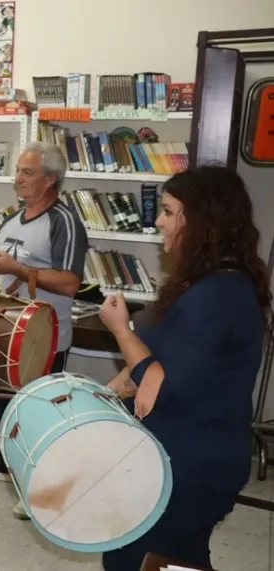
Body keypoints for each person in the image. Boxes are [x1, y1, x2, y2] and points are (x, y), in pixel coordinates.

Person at [97, 165, 269, 571]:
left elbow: (166, 388)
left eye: (169, 211)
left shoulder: (216, 295)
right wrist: (105, 395)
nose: (158, 220)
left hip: (191, 464)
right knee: (179, 558)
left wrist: (120, 332)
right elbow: (156, 356)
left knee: (129, 560)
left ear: (203, 222)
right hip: (192, 452)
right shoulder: (207, 282)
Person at [0, 142, 87, 518]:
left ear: (50, 179)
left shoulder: (64, 221)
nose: (18, 179)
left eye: (27, 173)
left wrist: (20, 270)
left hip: (44, 335)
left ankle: (40, 488)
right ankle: (1, 464)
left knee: (36, 413)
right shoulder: (13, 218)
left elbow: (71, 282)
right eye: (18, 171)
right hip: (3, 327)